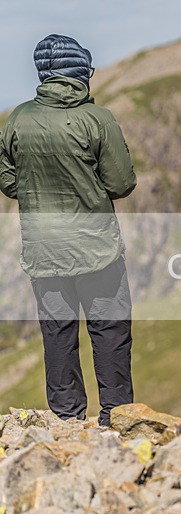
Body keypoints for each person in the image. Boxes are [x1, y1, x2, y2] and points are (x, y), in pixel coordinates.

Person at [0, 34, 137, 426]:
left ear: (44, 73)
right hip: (98, 250)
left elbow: (9, 181)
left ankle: (66, 421)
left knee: (57, 334)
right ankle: (117, 418)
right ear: (81, 72)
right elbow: (122, 183)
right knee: (109, 331)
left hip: (44, 250)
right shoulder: (98, 119)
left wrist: (35, 191)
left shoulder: (17, 120)